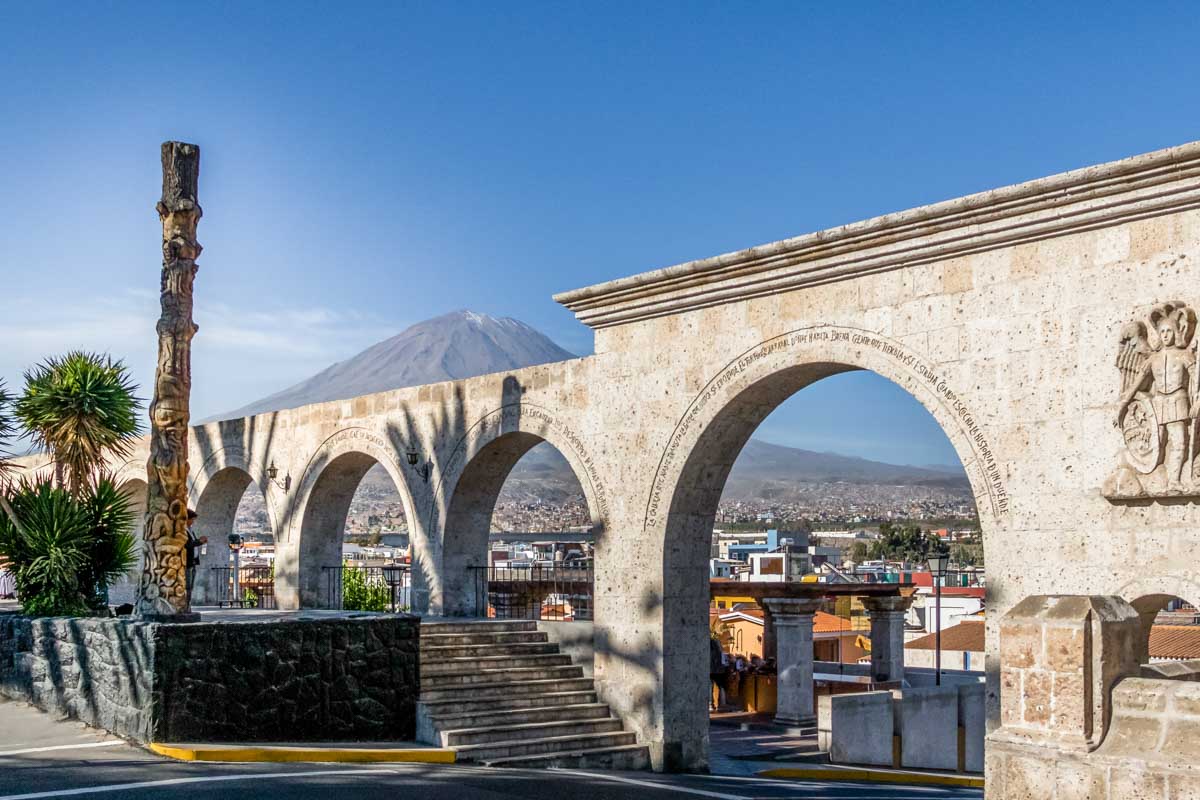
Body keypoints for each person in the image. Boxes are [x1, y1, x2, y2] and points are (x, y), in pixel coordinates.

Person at [184, 510, 208, 608]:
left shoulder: (191, 530)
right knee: (187, 585)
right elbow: (187, 545)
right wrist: (199, 542)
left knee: (191, 586)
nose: (193, 522)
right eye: (192, 519)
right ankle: (185, 605)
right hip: (187, 562)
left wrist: (199, 541)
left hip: (193, 562)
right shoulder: (183, 531)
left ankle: (187, 604)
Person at [709, 636, 728, 711]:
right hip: (719, 669)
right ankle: (722, 705)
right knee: (721, 686)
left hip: (709, 668)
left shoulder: (706, 643)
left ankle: (710, 704)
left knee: (709, 686)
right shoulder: (717, 643)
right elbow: (722, 654)